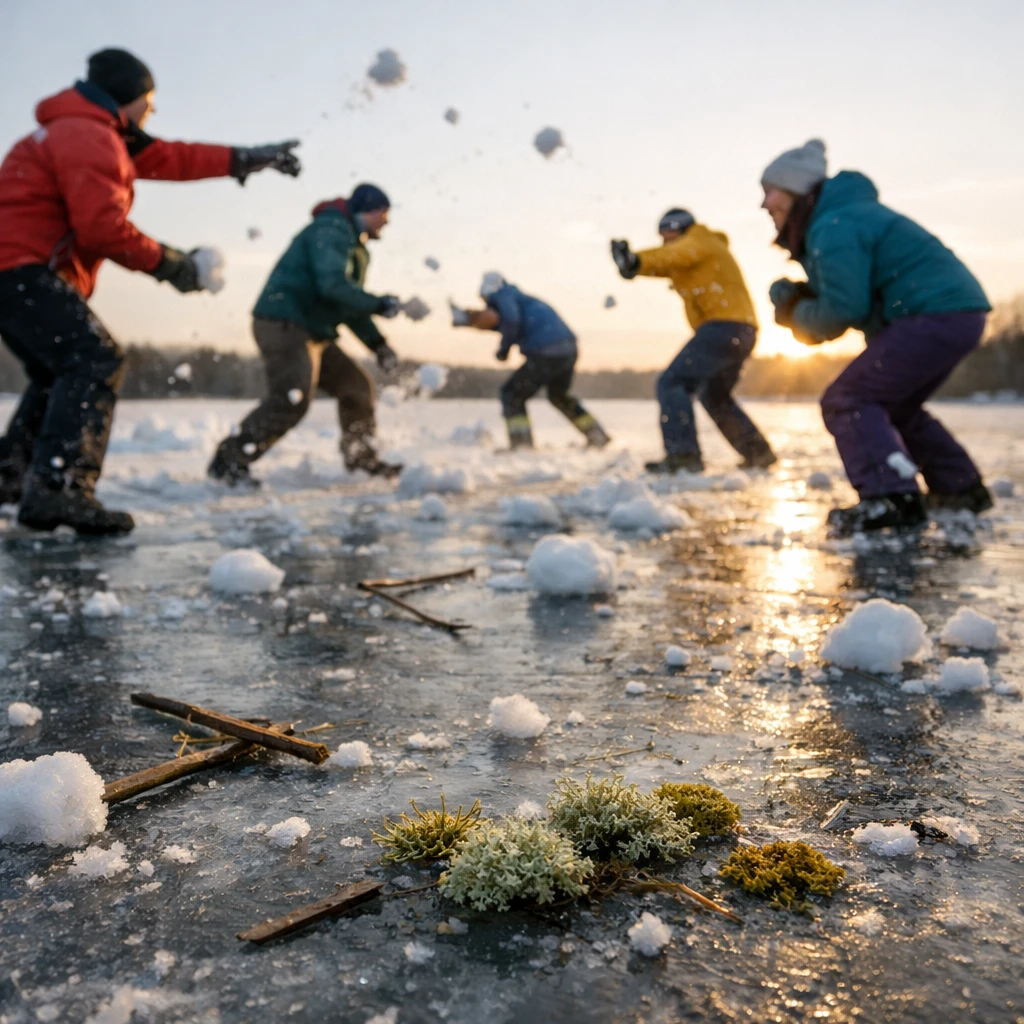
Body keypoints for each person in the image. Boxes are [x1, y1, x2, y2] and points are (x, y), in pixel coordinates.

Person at [0, 48, 301, 534]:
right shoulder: (88, 134)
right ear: (129, 97)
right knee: (95, 358)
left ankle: (11, 481)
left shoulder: (85, 127)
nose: (151, 112)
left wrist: (243, 159)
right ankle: (59, 490)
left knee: (57, 371)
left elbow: (172, 157)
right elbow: (101, 227)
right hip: (22, 270)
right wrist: (172, 265)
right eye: (149, 101)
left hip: (12, 271)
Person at [761, 139, 993, 535]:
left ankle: (890, 498)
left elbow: (842, 311)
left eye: (771, 192)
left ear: (797, 191)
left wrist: (794, 311)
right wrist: (802, 299)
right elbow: (850, 298)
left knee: (848, 399)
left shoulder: (833, 225)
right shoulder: (842, 217)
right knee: (897, 406)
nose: (765, 204)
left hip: (934, 313)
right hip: (958, 313)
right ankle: (960, 489)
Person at [207, 184, 403, 484]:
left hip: (313, 331)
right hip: (284, 322)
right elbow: (333, 286)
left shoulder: (353, 243)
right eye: (384, 214)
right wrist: (378, 303)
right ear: (369, 210)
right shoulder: (332, 230)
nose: (386, 222)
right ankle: (229, 462)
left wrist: (379, 344)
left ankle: (361, 461)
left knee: (356, 387)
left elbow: (346, 304)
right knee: (292, 397)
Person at [611, 211, 775, 475]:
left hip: (723, 326)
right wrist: (636, 265)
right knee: (715, 395)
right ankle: (758, 453)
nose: (665, 242)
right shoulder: (694, 250)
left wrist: (636, 259)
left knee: (673, 382)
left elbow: (674, 254)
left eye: (669, 235)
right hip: (741, 329)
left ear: (681, 229)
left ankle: (684, 456)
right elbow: (663, 264)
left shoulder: (700, 241)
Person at [449, 273, 610, 450]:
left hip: (546, 352)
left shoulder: (503, 295)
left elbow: (510, 320)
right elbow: (504, 323)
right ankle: (597, 435)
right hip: (568, 350)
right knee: (559, 396)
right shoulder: (521, 299)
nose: (485, 304)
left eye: (484, 299)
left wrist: (504, 349)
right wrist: (470, 321)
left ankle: (521, 445)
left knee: (511, 394)